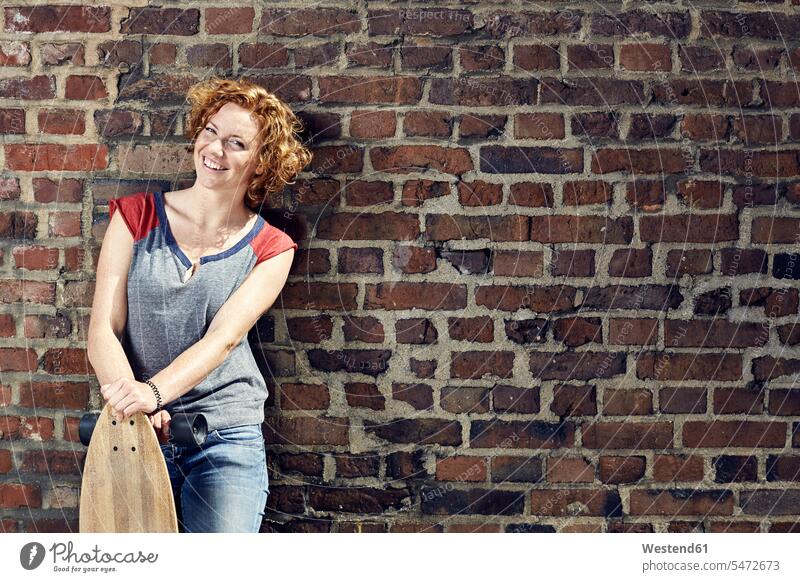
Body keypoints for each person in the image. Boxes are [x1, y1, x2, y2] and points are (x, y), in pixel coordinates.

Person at [86, 77, 312, 532]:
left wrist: (152, 395)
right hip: (134, 435)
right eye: (210, 131)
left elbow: (223, 341)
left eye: (236, 143)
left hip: (224, 438)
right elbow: (102, 331)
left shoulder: (271, 248)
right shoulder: (135, 217)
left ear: (260, 162)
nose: (215, 150)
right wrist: (135, 408)